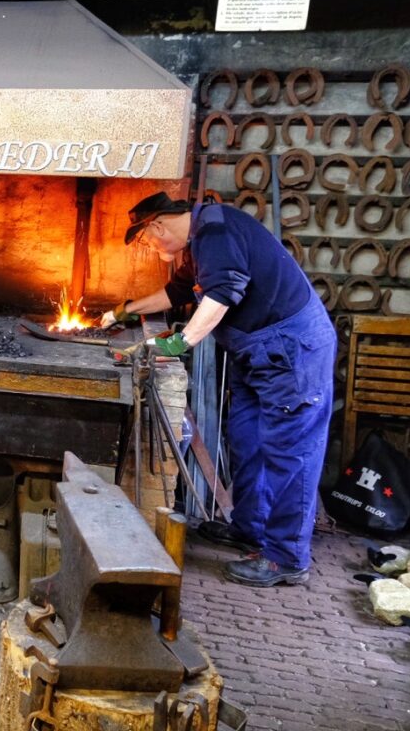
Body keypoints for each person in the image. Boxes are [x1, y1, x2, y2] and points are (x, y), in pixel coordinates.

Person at [100, 192, 335, 587]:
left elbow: (223, 294)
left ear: (158, 225)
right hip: (255, 351)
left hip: (290, 350)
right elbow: (177, 295)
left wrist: (180, 342)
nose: (151, 247)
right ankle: (250, 528)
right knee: (247, 441)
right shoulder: (199, 242)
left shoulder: (216, 232)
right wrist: (126, 310)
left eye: (147, 239)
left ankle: (286, 557)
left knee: (288, 452)